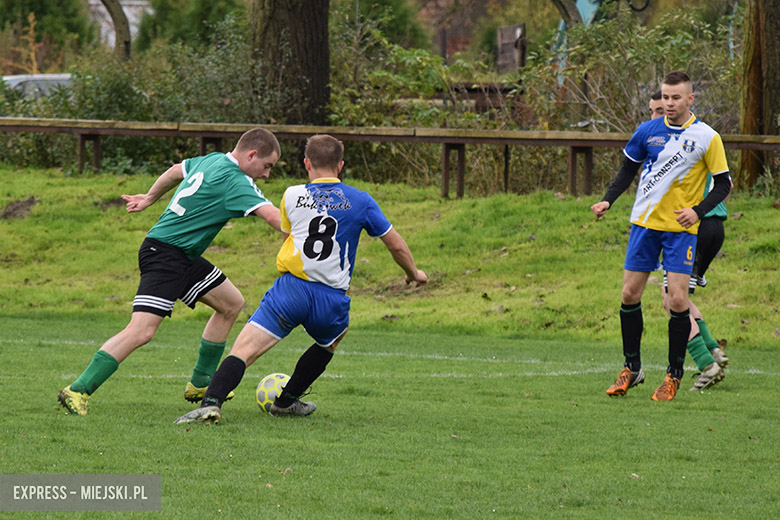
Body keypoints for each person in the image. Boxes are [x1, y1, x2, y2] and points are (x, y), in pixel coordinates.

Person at [174, 134, 427, 424]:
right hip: (331, 297)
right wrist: (414, 274)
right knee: (330, 341)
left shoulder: (291, 195)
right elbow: (395, 245)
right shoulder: (362, 201)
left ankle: (211, 403)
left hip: (291, 290)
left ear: (306, 163)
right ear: (340, 165)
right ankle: (287, 401)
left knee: (244, 350)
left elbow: (288, 239)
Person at [58, 128, 283, 415]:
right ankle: (77, 389)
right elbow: (273, 216)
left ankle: (201, 383)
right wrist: (309, 230)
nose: (266, 175)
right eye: (267, 166)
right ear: (252, 154)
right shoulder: (236, 180)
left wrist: (151, 197)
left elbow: (176, 170)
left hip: (182, 255)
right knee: (141, 331)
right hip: (165, 255)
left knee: (230, 303)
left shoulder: (211, 160)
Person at [591, 71, 731, 401]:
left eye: (676, 98)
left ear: (690, 99)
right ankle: (632, 368)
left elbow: (724, 184)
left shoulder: (707, 137)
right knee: (629, 295)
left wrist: (697, 211)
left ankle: (674, 374)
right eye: (665, 97)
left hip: (680, 231)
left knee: (678, 300)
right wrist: (608, 199)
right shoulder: (647, 131)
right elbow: (628, 169)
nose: (669, 103)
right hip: (644, 225)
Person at [650, 92, 730, 391]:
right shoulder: (701, 138)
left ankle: (706, 365)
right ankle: (713, 351)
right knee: (677, 295)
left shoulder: (682, 141)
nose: (656, 117)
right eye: (653, 111)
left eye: (660, 110)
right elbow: (726, 184)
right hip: (711, 226)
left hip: (695, 228)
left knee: (673, 300)